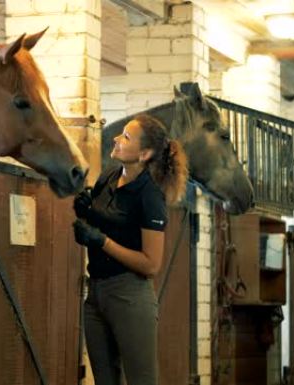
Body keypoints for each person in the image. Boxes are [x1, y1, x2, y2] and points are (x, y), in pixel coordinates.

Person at [72, 114, 188, 385]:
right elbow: (105, 224)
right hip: (96, 292)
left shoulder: (149, 196)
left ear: (144, 153)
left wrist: (101, 242)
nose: (116, 138)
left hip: (129, 295)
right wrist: (86, 211)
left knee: (141, 381)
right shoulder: (110, 177)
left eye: (125, 136)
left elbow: (151, 264)